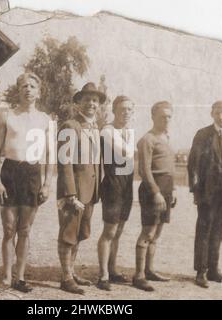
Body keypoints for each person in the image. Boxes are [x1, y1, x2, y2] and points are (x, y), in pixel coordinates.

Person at [0, 73, 54, 293]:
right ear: (18, 90)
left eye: (33, 86)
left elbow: (50, 155)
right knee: (9, 229)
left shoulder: (46, 120)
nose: (28, 89)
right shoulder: (7, 116)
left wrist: (47, 184)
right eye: (24, 85)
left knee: (25, 229)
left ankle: (20, 277)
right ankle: (7, 277)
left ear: (39, 91)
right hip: (10, 171)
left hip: (33, 174)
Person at [56, 82, 104, 294]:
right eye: (87, 99)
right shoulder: (70, 126)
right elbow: (64, 163)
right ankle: (66, 278)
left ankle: (72, 271)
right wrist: (70, 194)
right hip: (74, 193)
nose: (91, 103)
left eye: (95, 100)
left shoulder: (95, 127)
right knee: (68, 234)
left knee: (79, 234)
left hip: (90, 192)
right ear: (78, 103)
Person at [187, 101, 222, 288]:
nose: (221, 117)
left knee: (219, 231)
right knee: (204, 231)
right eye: (218, 113)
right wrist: (195, 190)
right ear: (212, 113)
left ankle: (212, 269)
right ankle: (200, 272)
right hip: (207, 192)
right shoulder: (203, 134)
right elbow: (193, 164)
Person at [132, 101, 177, 292]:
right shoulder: (147, 139)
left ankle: (150, 270)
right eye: (162, 116)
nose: (166, 120)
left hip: (166, 189)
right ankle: (139, 275)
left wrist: (172, 190)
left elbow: (170, 168)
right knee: (148, 232)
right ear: (153, 117)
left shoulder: (166, 137)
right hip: (152, 190)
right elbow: (144, 170)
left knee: (157, 233)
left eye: (169, 116)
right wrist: (156, 192)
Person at [96, 96, 135, 291]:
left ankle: (112, 270)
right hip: (112, 183)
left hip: (127, 183)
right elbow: (126, 153)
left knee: (118, 231)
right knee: (109, 231)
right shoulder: (107, 131)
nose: (126, 112)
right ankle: (103, 275)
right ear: (114, 110)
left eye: (129, 109)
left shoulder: (128, 131)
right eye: (122, 109)